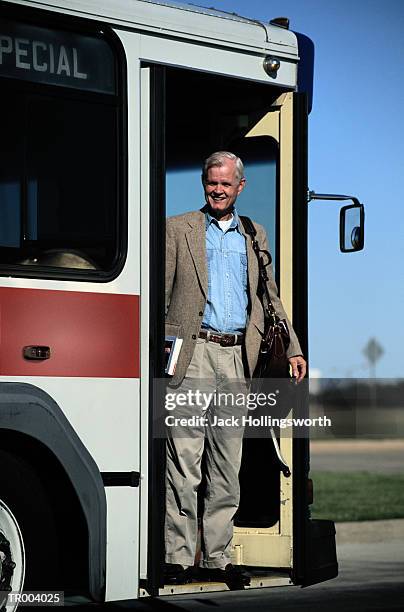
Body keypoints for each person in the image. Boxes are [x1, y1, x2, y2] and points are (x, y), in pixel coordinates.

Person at [164, 151, 306, 590]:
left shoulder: (253, 233)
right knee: (183, 463)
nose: (217, 190)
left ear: (240, 187)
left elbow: (271, 298)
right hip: (192, 355)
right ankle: (177, 556)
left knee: (228, 465)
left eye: (225, 184)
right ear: (204, 184)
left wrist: (295, 348)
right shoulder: (177, 228)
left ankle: (218, 557)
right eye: (211, 183)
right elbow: (159, 296)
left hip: (235, 360)